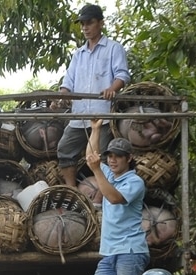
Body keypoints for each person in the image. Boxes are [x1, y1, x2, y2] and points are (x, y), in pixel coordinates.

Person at [79, 118, 149, 275]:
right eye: (110, 156)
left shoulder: (134, 182)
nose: (112, 160)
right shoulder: (108, 172)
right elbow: (90, 157)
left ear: (129, 158)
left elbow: (113, 197)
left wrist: (98, 171)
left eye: (118, 157)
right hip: (110, 252)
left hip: (131, 251)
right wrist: (96, 130)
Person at [53, 3, 131, 187]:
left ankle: (102, 196)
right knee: (65, 150)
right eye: (82, 24)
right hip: (79, 116)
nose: (85, 28)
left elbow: (122, 75)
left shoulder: (113, 48)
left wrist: (112, 88)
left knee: (104, 156)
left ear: (101, 23)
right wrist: (62, 97)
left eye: (90, 22)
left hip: (102, 115)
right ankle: (73, 190)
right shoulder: (78, 54)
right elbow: (68, 83)